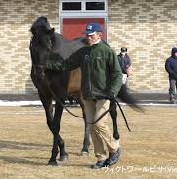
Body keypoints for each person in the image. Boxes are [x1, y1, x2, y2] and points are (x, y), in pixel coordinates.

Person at [46, 23, 123, 169]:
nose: (88, 37)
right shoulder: (83, 52)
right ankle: (101, 158)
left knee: (100, 124)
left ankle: (115, 148)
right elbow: (65, 65)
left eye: (91, 35)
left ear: (99, 35)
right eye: (87, 35)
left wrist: (112, 91)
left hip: (103, 95)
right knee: (92, 127)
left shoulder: (107, 52)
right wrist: (46, 63)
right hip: (87, 96)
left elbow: (117, 74)